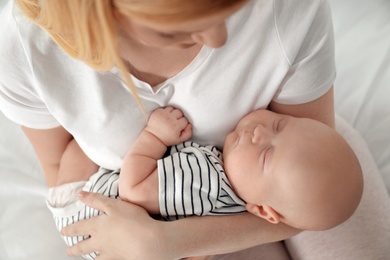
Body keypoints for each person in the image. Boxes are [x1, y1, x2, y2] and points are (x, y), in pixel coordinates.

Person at [0, 0, 389, 259]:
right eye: (176, 31)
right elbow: (66, 181)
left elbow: (303, 206)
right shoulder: (25, 50)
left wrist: (173, 241)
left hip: (289, 181)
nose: (220, 39)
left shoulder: (287, 11)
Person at [47, 106, 362, 259]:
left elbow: (134, 189)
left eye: (266, 154)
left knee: (77, 146)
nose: (260, 133)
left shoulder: (207, 178)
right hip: (105, 241)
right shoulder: (235, 201)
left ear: (265, 211)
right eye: (279, 124)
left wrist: (154, 137)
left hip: (82, 209)